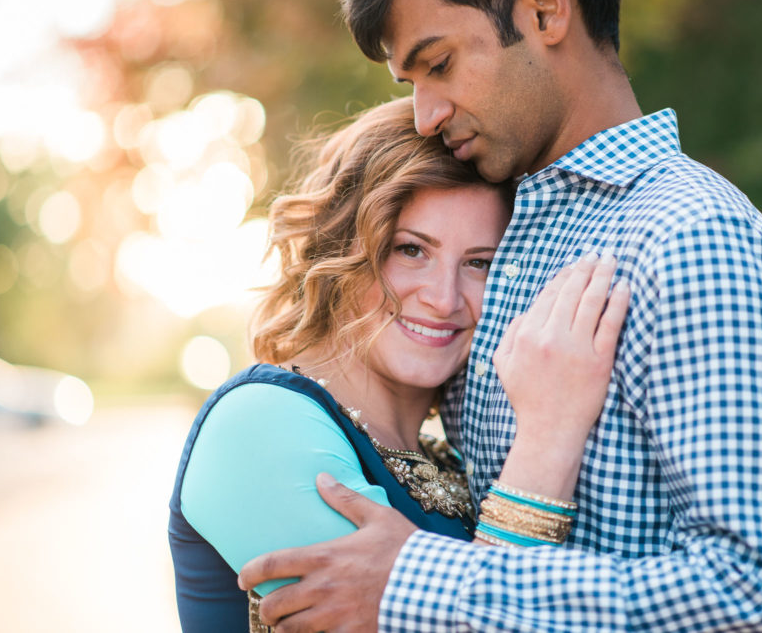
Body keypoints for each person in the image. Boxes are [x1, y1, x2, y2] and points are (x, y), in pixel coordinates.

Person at [238, 0, 762, 632]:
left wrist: (413, 583)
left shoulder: (691, 240)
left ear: (545, 10)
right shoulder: (506, 227)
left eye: (439, 64)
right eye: (410, 82)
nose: (425, 115)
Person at [167, 96, 629, 632]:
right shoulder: (260, 423)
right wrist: (550, 437)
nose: (444, 298)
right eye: (411, 250)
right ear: (344, 247)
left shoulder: (450, 452)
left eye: (479, 263)